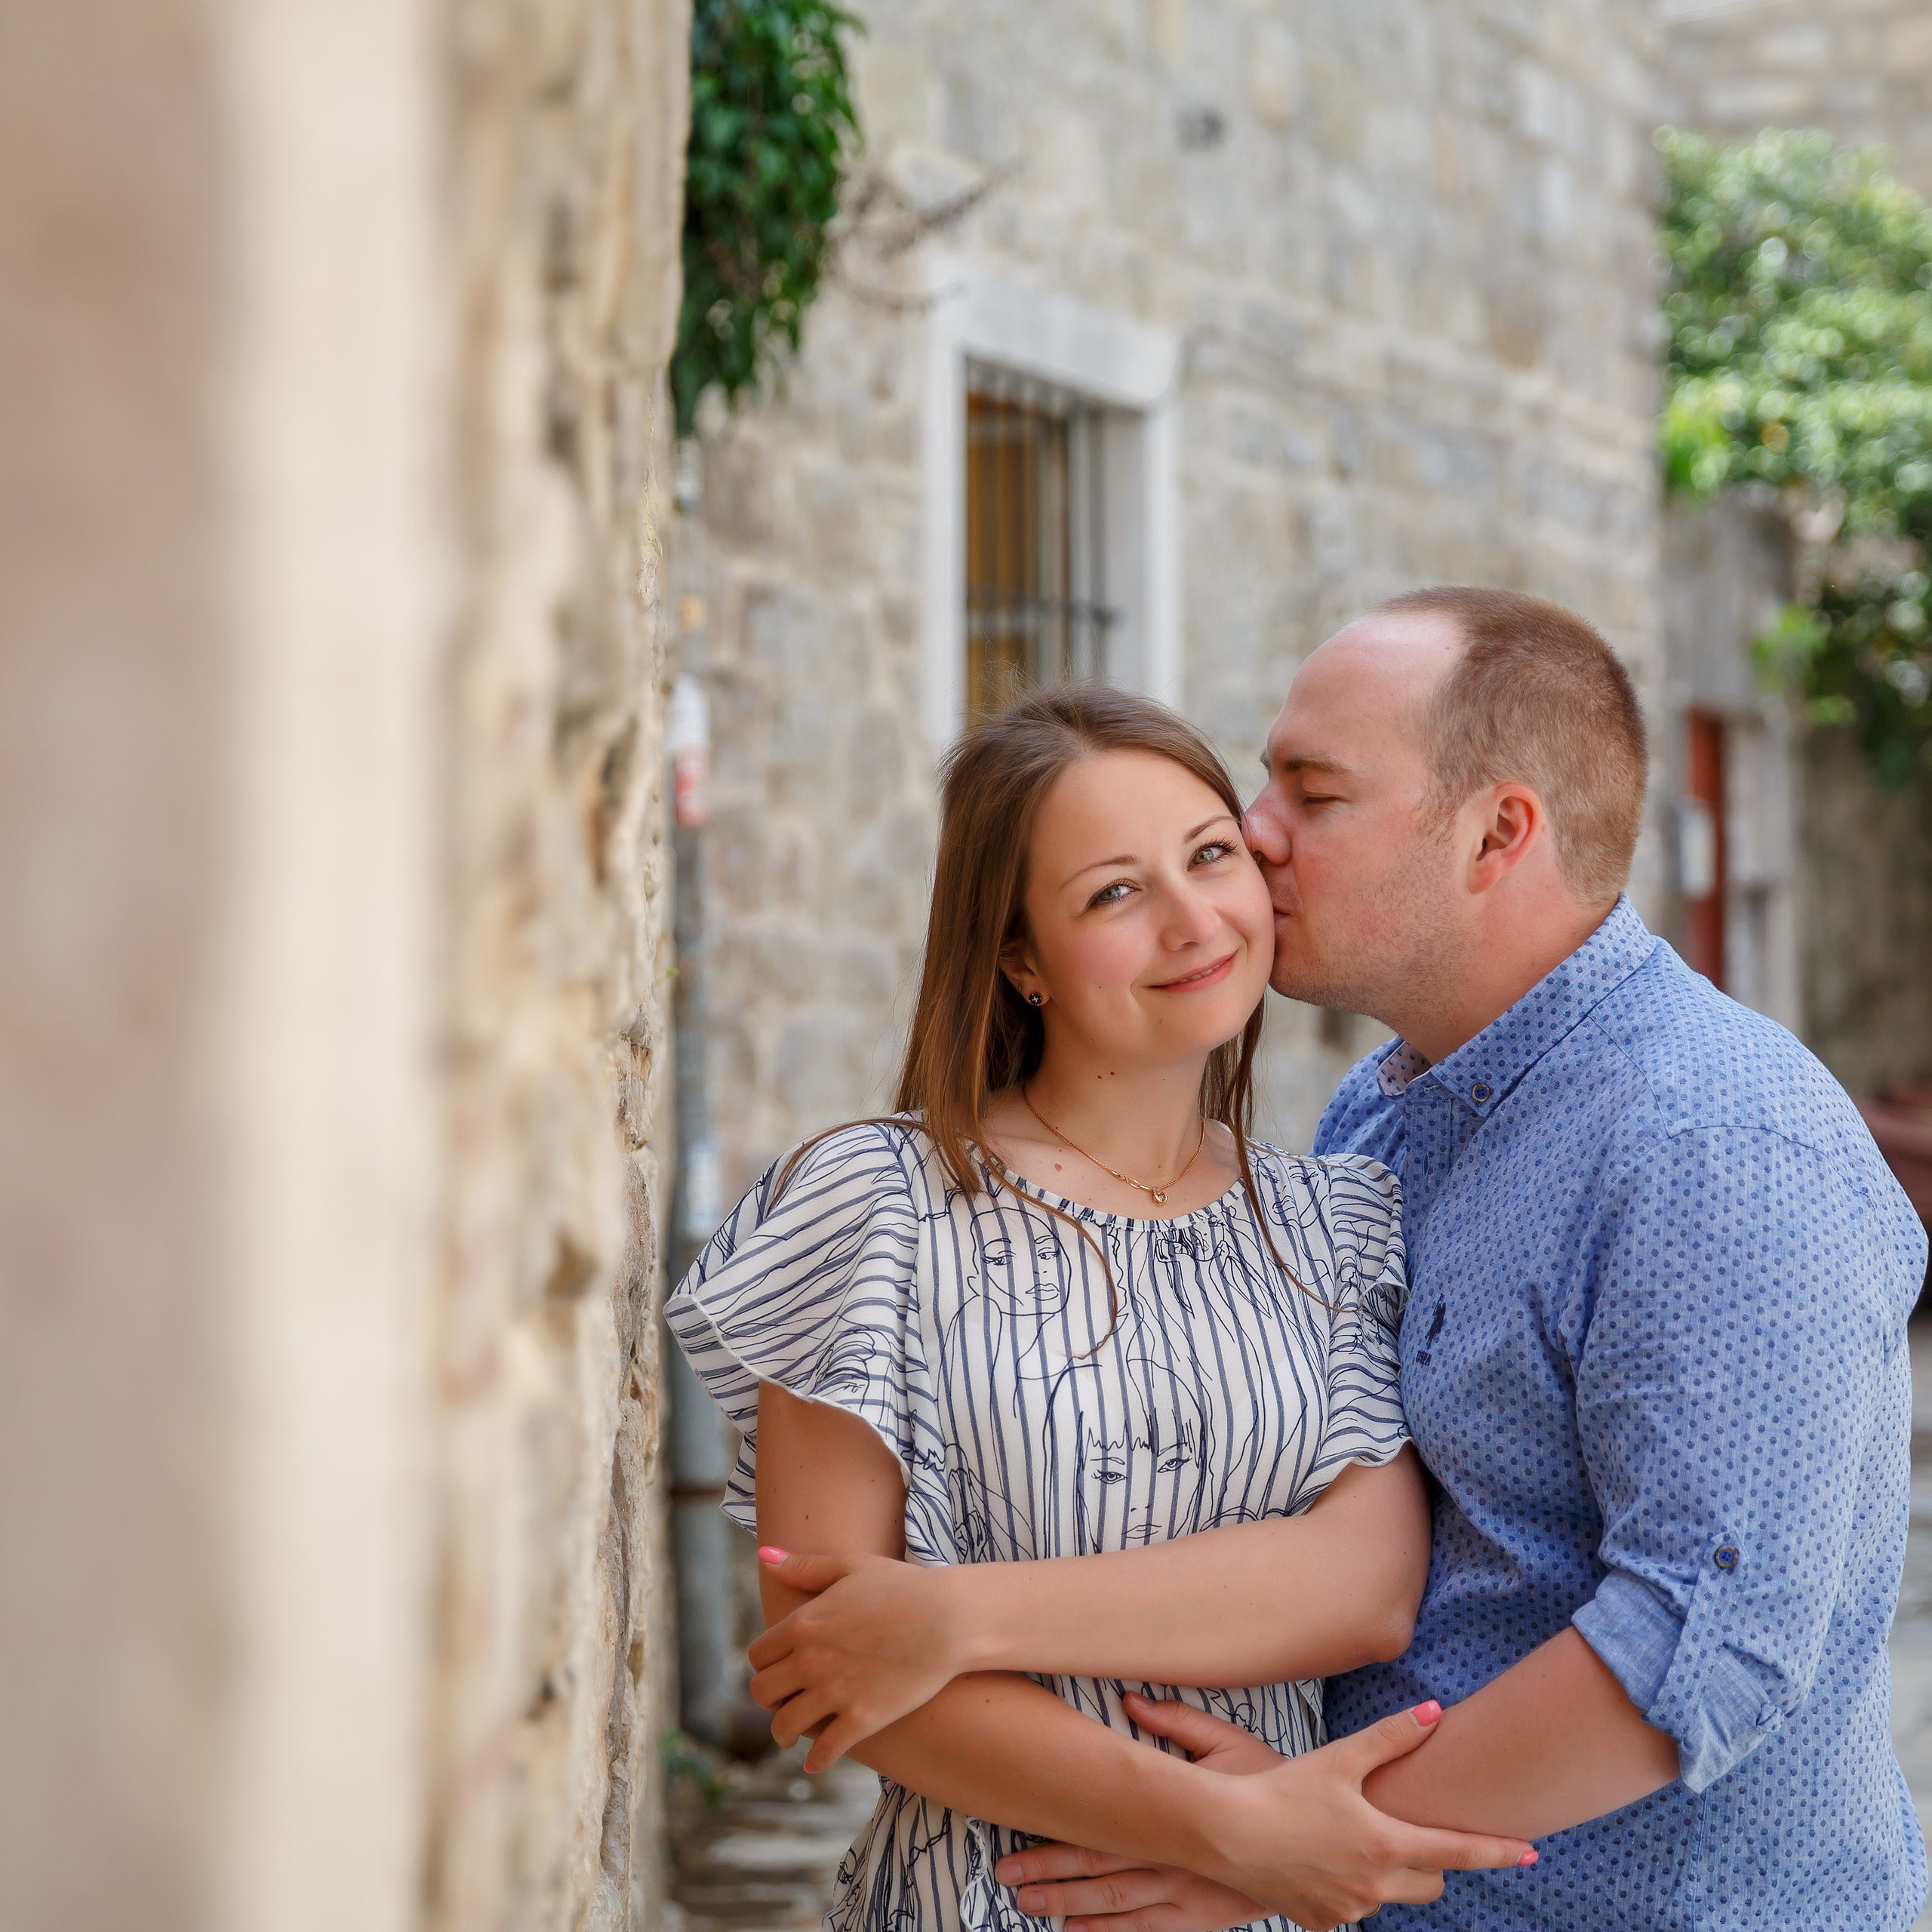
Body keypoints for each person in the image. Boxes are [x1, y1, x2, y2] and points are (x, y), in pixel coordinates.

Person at [665, 685, 1538, 1932]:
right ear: (1019, 956)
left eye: (1211, 857)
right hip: (989, 1900)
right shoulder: (871, 1205)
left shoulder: (1333, 1219)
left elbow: (1364, 1585)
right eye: (1114, 894)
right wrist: (1230, 1832)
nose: (1193, 922)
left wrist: (957, 1613)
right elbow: (841, 1669)